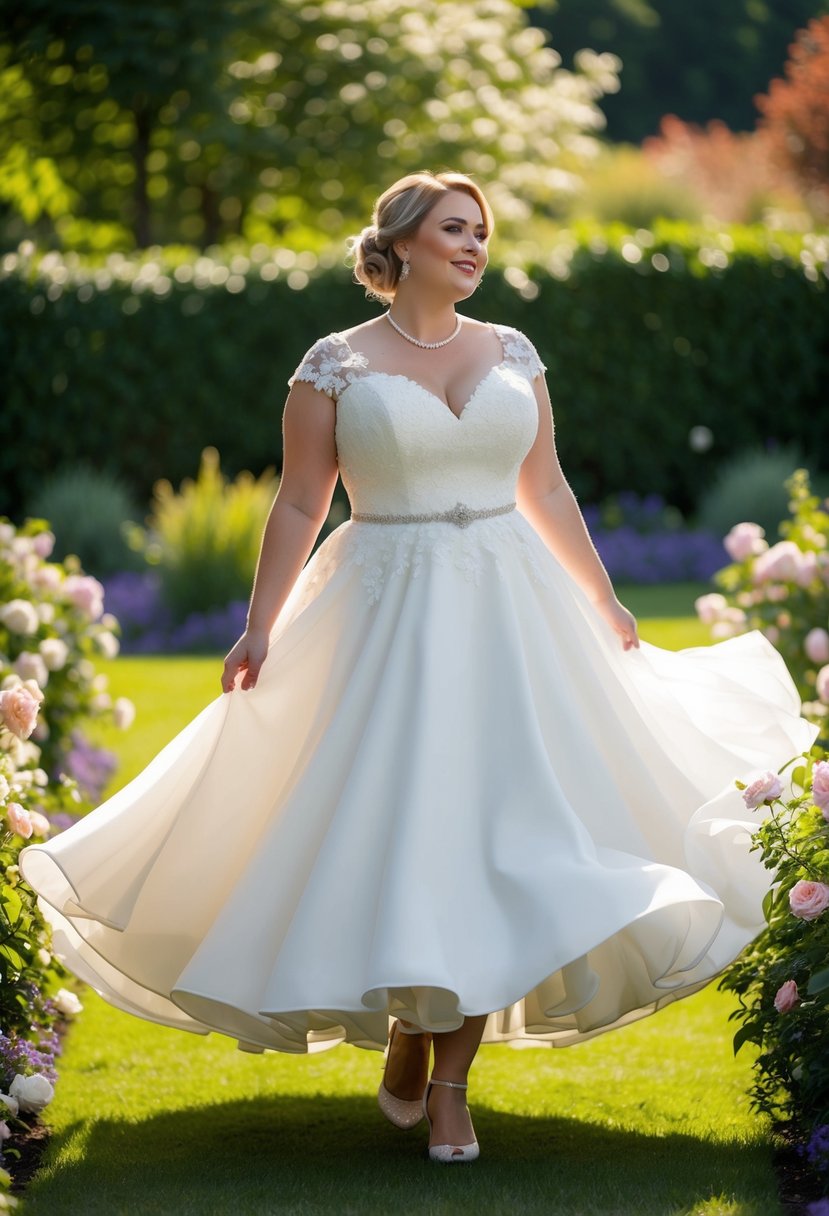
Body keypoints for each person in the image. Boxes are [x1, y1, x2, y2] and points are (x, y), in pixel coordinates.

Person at [20, 171, 816, 1165]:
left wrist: (606, 595)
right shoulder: (333, 367)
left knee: (503, 834)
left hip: (513, 613)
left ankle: (447, 1083)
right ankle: (407, 1037)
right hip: (381, 617)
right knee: (410, 836)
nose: (475, 246)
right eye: (454, 230)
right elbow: (302, 504)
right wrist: (260, 624)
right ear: (398, 242)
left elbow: (550, 488)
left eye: (481, 232)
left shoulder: (514, 353)